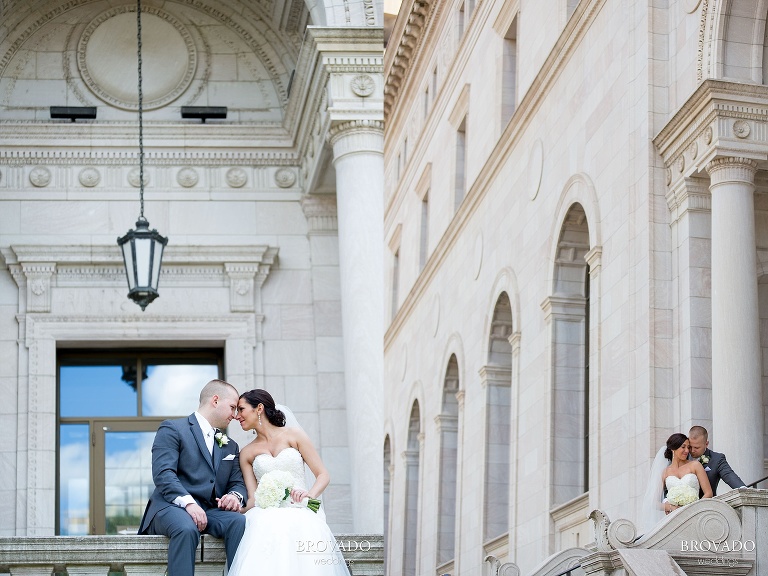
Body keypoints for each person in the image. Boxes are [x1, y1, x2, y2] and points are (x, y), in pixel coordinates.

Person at [228, 389, 349, 575]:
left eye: (241, 409)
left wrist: (310, 495)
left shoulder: (294, 435)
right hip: (264, 516)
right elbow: (253, 498)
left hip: (300, 511)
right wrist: (235, 508)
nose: (236, 416)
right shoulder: (246, 452)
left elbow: (323, 474)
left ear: (258, 408)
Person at [138, 379, 246, 576]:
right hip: (170, 506)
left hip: (209, 509)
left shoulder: (230, 446)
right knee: (187, 529)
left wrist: (235, 496)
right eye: (232, 407)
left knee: (238, 521)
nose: (234, 415)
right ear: (215, 400)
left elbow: (237, 482)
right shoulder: (173, 429)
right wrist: (188, 503)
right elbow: (163, 474)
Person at [639, 433, 712, 535]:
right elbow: (653, 502)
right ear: (673, 449)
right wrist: (669, 507)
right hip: (674, 519)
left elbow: (708, 493)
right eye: (683, 447)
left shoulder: (695, 465)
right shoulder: (665, 472)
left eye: (688, 447)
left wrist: (693, 509)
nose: (687, 451)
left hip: (694, 515)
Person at [688, 425, 746, 497]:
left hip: (706, 505)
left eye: (696, 447)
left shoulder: (717, 459)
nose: (692, 450)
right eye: (690, 447)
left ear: (706, 444)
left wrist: (743, 489)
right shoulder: (682, 456)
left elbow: (728, 474)